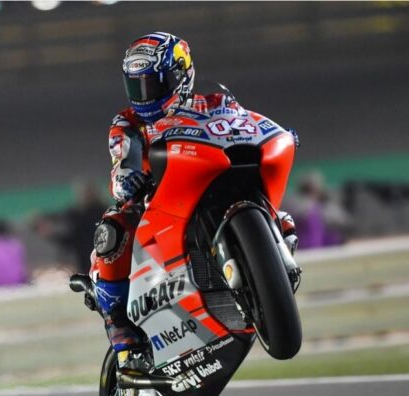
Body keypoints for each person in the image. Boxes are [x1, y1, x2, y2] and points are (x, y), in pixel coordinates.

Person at [91, 32, 298, 373]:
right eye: (136, 84)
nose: (145, 95)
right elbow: (122, 163)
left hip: (211, 182)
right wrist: (128, 179)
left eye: (154, 83)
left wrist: (276, 134)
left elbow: (243, 123)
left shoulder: (217, 101)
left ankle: (268, 275)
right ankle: (119, 325)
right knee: (112, 229)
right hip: (160, 204)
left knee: (286, 220)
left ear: (181, 76)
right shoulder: (128, 122)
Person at [33, 181, 107, 274]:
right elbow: (72, 236)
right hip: (91, 259)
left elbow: (73, 238)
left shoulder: (86, 214)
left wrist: (50, 233)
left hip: (95, 259)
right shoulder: (84, 213)